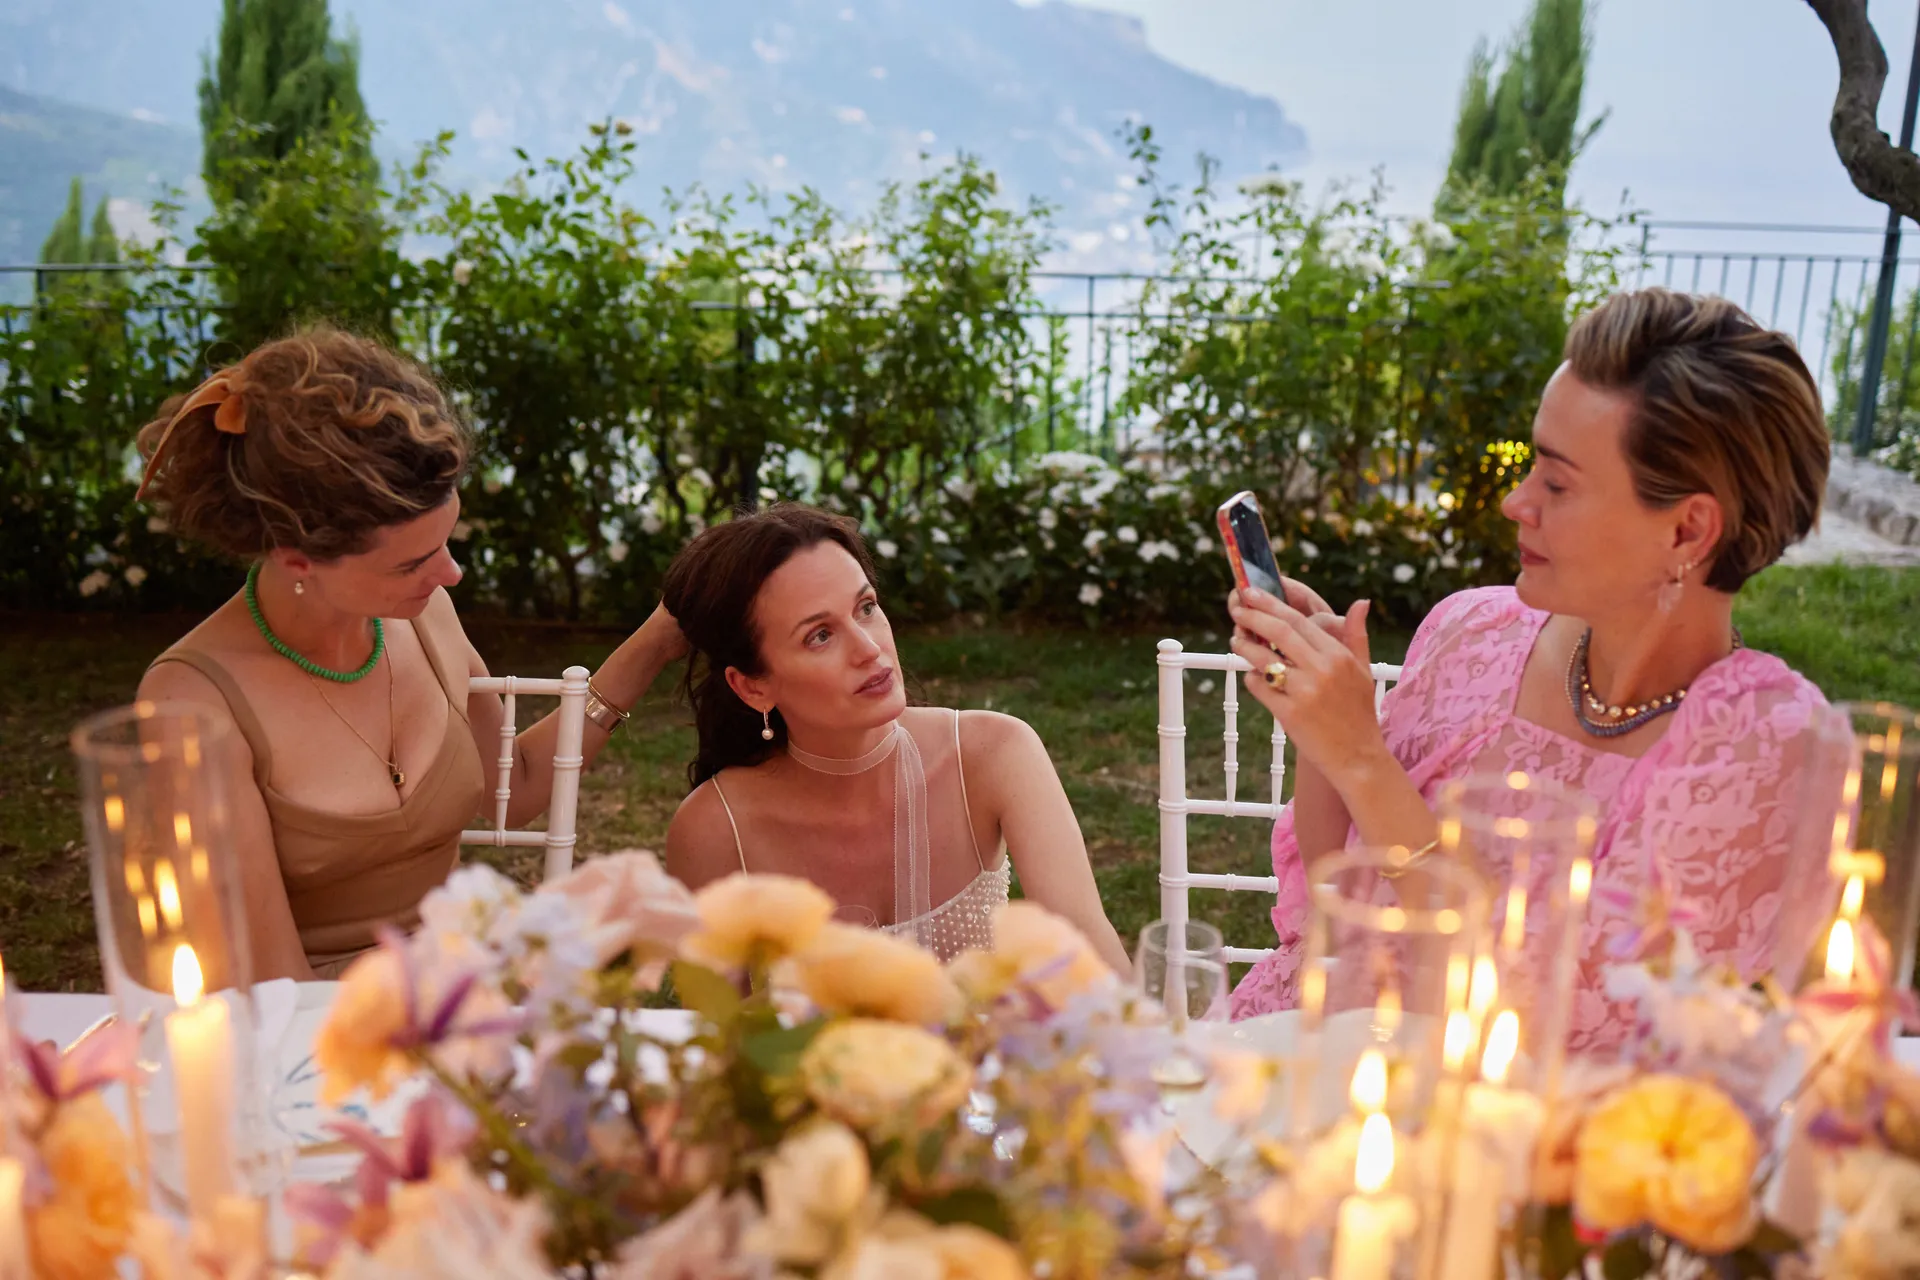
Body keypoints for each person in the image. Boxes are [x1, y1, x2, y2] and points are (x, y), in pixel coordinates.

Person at [1225, 288, 1835, 1049]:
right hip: (1296, 1050)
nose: (1517, 504)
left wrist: (1363, 756)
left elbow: (1537, 1024)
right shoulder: (1472, 631)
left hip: (1494, 1137)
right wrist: (1322, 731)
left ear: (1687, 528)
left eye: (1557, 482)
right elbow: (1330, 894)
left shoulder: (1763, 751)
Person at [134, 328, 687, 981]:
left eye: (446, 541)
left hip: (455, 992)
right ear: (297, 560)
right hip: (312, 1031)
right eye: (413, 562)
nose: (451, 574)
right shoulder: (193, 701)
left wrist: (659, 636)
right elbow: (262, 978)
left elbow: (517, 787)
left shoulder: (424, 620)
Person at [661, 504, 1131, 970]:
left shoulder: (993, 754)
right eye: (819, 635)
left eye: (866, 608)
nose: (870, 649)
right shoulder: (715, 830)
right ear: (752, 685)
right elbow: (717, 1032)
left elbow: (1089, 953)